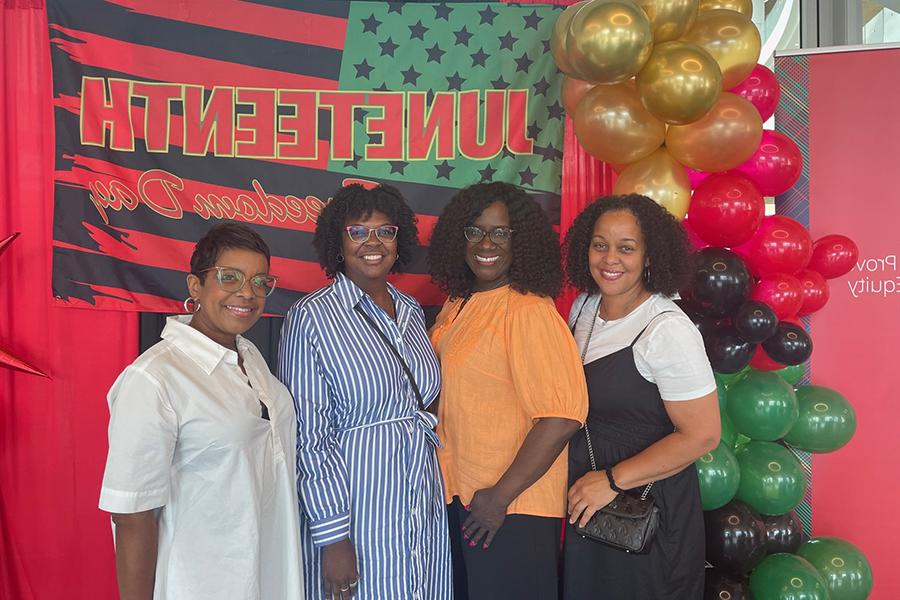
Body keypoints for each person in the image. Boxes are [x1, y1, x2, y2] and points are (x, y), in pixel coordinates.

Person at [99, 223, 304, 600]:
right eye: (230, 277)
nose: (247, 292)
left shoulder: (250, 357)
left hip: (269, 575)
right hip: (199, 583)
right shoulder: (154, 378)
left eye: (260, 281)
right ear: (196, 286)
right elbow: (131, 515)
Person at [278, 184, 451, 600]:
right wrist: (333, 538)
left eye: (385, 232)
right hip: (358, 513)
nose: (373, 243)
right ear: (338, 242)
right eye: (358, 232)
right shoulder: (312, 317)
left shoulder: (410, 310)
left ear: (399, 241)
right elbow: (309, 438)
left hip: (419, 499)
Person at [428, 182, 588, 600]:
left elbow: (561, 417)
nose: (486, 243)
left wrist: (499, 497)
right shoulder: (459, 301)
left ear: (522, 241)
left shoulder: (528, 310)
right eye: (475, 231)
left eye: (500, 233)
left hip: (509, 507)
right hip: (462, 497)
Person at [562, 194, 720, 600]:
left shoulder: (666, 329)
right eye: (600, 245)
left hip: (647, 510)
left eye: (626, 248)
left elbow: (702, 436)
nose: (610, 259)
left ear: (650, 256)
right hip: (589, 501)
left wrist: (612, 481)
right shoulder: (584, 307)